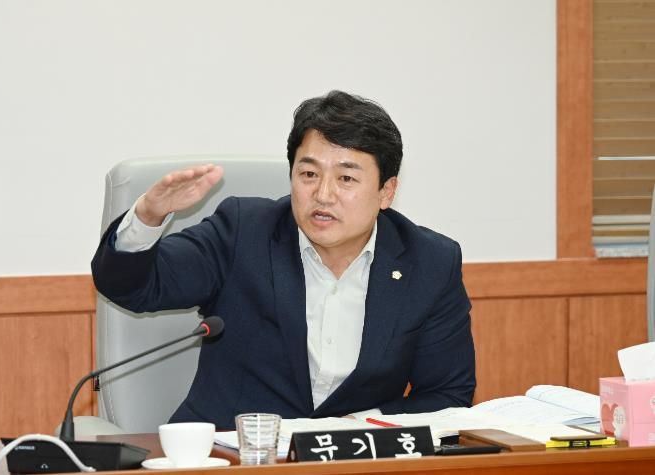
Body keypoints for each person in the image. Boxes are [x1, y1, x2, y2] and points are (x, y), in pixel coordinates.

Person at [92, 90, 475, 429]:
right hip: (230, 459)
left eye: (346, 179)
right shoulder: (242, 232)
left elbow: (447, 394)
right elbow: (135, 287)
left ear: (386, 191)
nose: (323, 194)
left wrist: (356, 427)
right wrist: (148, 217)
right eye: (308, 173)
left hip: (351, 462)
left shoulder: (430, 263)